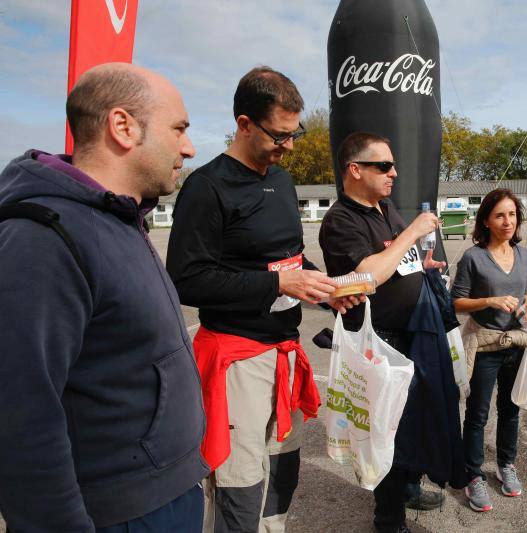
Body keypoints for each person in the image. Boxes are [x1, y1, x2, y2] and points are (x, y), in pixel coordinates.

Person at [0, 63, 208, 531]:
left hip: (166, 495)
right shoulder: (43, 239)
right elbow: (20, 419)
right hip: (119, 514)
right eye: (179, 129)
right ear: (123, 126)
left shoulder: (118, 217)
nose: (189, 147)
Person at [166, 66, 357, 533]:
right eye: (280, 135)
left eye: (295, 134)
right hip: (236, 360)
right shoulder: (207, 187)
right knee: (240, 484)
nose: (289, 146)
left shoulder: (283, 181)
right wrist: (276, 286)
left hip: (283, 357)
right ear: (244, 123)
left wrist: (324, 288)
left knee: (283, 474)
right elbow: (186, 280)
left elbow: (290, 259)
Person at [319, 132, 466, 533]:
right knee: (387, 430)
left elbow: (400, 261)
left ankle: (407, 487)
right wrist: (411, 234)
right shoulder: (341, 220)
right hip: (380, 340)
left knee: (416, 422)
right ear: (355, 169)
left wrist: (424, 264)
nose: (393, 173)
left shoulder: (385, 209)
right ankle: (388, 518)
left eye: (393, 165)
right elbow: (366, 277)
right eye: (383, 165)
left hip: (415, 334)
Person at [449, 188, 527, 512]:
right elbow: (455, 302)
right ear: (485, 220)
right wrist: (488, 300)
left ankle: (506, 465)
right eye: (500, 215)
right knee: (478, 414)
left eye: (512, 214)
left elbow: (525, 295)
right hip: (484, 344)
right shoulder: (474, 257)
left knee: (512, 409)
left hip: (517, 344)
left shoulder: (524, 255)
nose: (507, 221)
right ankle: (473, 475)